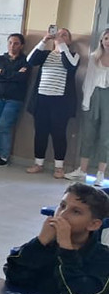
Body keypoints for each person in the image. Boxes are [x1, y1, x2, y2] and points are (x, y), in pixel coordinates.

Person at [3, 184, 109, 294]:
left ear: (94, 225)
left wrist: (66, 249)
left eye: (76, 212)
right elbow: (14, 278)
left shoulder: (103, 258)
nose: (62, 215)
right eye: (62, 206)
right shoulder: (44, 246)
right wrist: (39, 243)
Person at [26, 28, 79, 179]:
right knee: (40, 132)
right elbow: (30, 60)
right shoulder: (45, 55)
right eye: (58, 34)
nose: (60, 36)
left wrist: (61, 45)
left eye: (64, 35)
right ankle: (38, 163)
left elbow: (71, 66)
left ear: (69, 41)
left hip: (60, 102)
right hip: (42, 99)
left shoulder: (73, 55)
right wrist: (44, 40)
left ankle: (59, 167)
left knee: (59, 134)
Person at [66, 28, 109, 185]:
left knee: (105, 137)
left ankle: (100, 173)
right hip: (92, 97)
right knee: (88, 134)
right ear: (101, 40)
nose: (108, 42)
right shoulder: (94, 57)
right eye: (106, 38)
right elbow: (89, 80)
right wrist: (86, 101)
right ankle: (82, 171)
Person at [0, 33, 30, 168]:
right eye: (10, 43)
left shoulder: (25, 61)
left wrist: (3, 74)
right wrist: (14, 75)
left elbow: (22, 78)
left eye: (16, 43)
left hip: (13, 99)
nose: (13, 46)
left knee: (4, 126)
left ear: (21, 45)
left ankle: (3, 156)